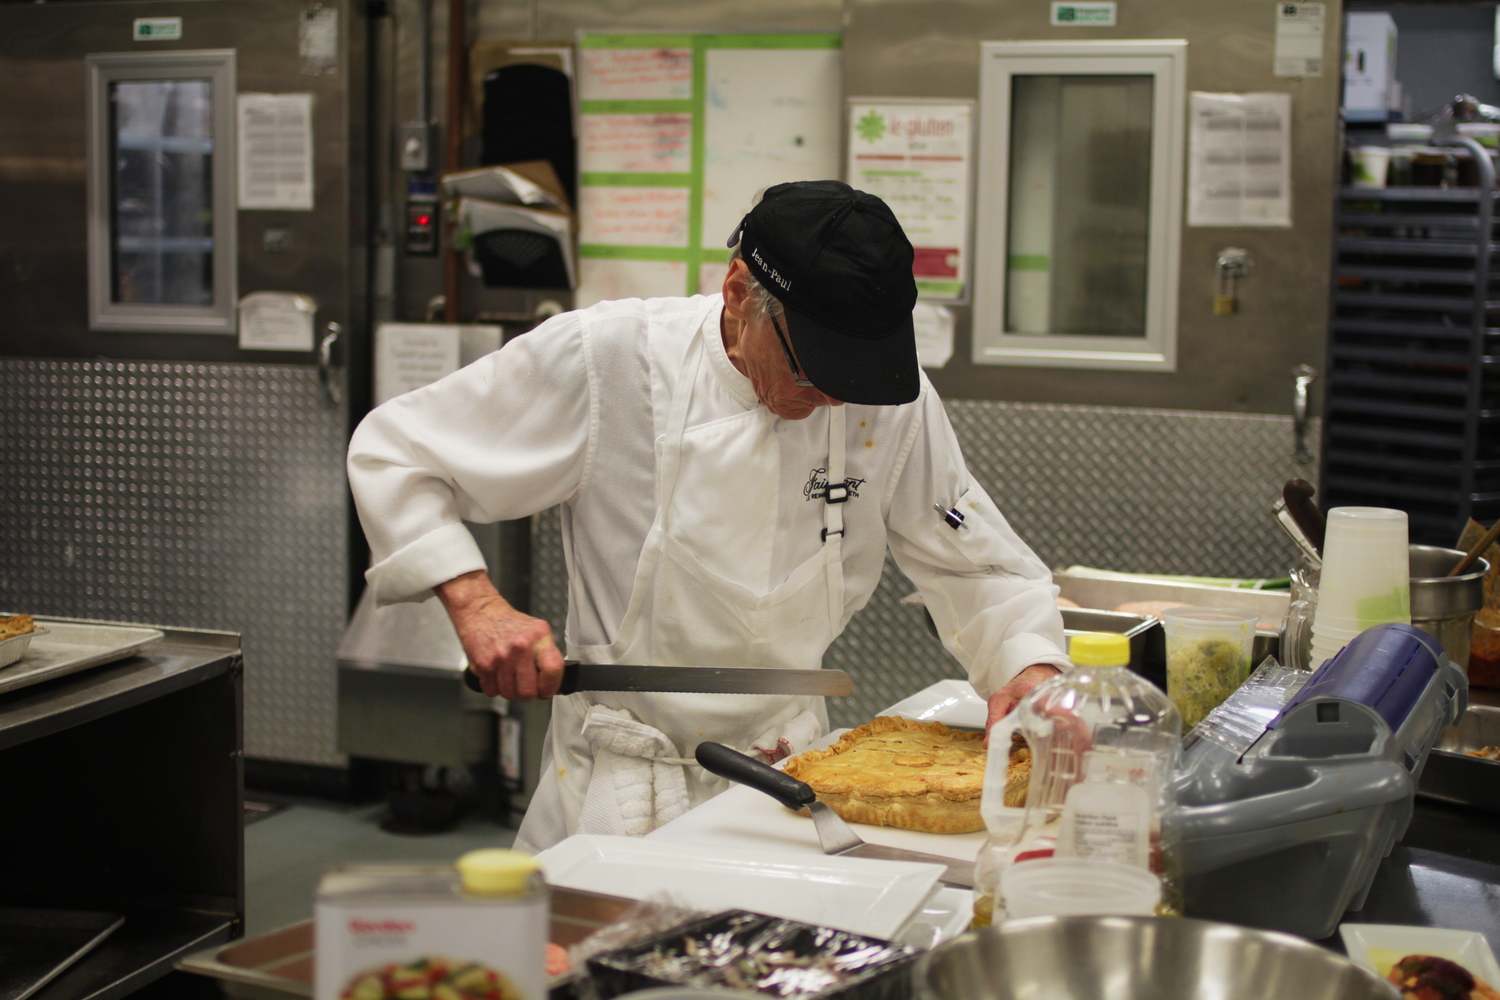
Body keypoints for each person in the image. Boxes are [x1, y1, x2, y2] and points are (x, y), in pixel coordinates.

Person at [347, 180, 1067, 853]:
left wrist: (1028, 664)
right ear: (737, 293)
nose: (835, 401)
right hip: (621, 794)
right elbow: (396, 451)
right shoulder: (613, 360)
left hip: (789, 777)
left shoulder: (885, 400)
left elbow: (978, 565)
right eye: (812, 372)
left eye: (854, 377)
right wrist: (475, 603)